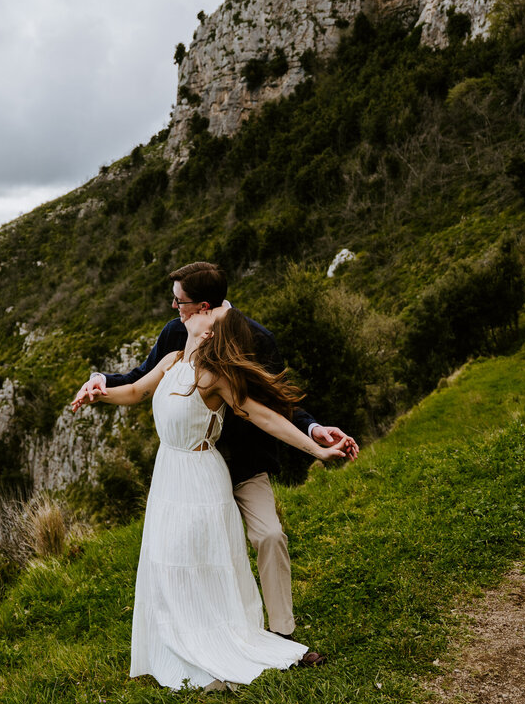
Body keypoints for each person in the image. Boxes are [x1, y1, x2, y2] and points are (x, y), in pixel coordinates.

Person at [71, 262, 358, 645]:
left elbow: (271, 407)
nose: (174, 308)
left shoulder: (256, 338)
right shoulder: (176, 335)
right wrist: (99, 382)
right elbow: (139, 381)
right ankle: (198, 633)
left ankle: (282, 633)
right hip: (185, 471)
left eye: (180, 301)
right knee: (187, 554)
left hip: (242, 464)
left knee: (270, 536)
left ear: (203, 307)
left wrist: (314, 431)